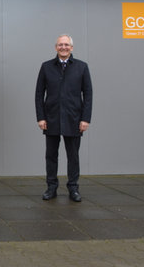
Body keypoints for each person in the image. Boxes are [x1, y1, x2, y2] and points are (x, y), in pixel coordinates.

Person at [35, 34, 92, 202]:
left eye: (67, 45)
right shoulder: (46, 67)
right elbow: (39, 94)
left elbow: (88, 95)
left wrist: (85, 119)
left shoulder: (82, 67)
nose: (63, 47)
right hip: (51, 118)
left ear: (72, 48)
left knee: (73, 155)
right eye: (60, 45)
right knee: (51, 155)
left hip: (74, 118)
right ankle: (51, 187)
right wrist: (41, 117)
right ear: (56, 47)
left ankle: (73, 188)